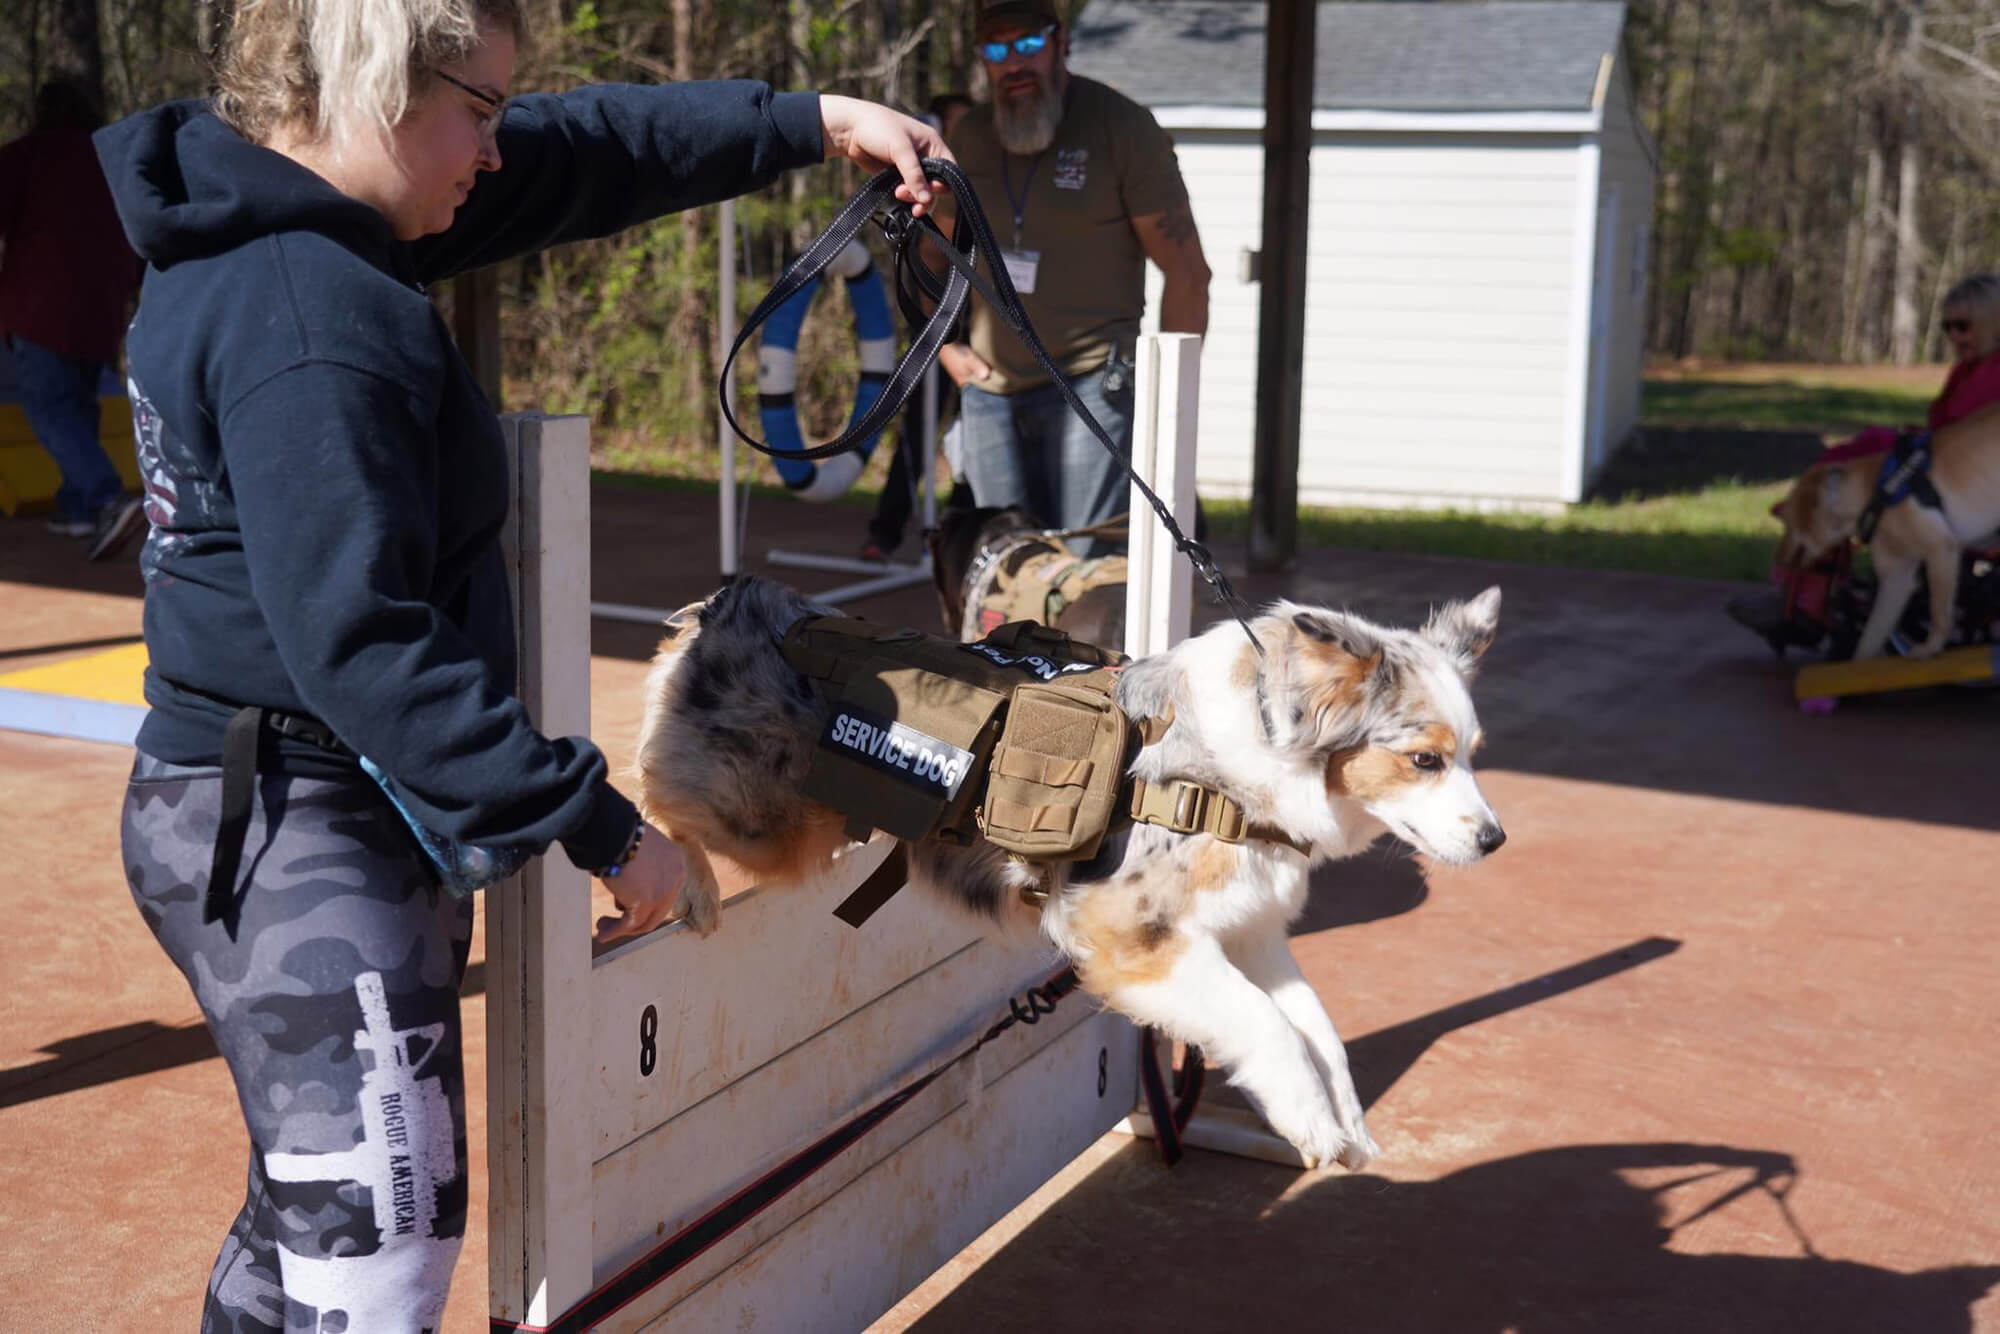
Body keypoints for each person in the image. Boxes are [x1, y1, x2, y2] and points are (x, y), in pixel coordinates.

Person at [93, 0, 948, 1322]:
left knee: (315, 1218)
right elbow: (361, 641)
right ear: (378, 82)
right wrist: (600, 824)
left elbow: (577, 148)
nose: (495, 153)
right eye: (478, 113)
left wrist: (807, 123)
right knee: (376, 1236)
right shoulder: (312, 310)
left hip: (272, 796)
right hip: (291, 817)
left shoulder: (267, 213)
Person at [935, 0, 1211, 555]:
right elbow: (931, 250)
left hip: (1093, 386)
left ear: (1061, 42)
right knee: (1005, 570)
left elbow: (1188, 275)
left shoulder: (1123, 129)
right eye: (997, 49)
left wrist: (1165, 399)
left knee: (1084, 574)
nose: (1014, 63)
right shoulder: (969, 138)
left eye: (1029, 45)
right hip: (991, 390)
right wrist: (947, 346)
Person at [0, 77, 146, 559]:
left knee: (48, 406)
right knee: (79, 404)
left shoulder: (30, 155)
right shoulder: (111, 158)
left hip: (39, 304)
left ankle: (103, 496)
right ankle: (77, 507)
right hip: (100, 307)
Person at [863, 91, 975, 561]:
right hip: (936, 339)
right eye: (956, 126)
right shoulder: (930, 190)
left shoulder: (982, 186)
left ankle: (959, 541)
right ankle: (885, 535)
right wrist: (947, 349)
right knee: (917, 436)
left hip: (983, 344)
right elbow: (921, 271)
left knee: (975, 449)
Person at [1930, 272, 2000, 426]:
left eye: (1962, 326)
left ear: (1991, 324)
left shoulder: (1994, 372)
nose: (1953, 335)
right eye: (1947, 327)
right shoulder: (1964, 370)